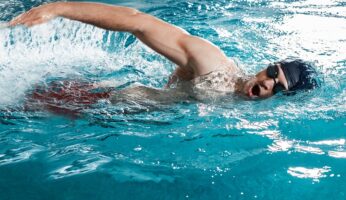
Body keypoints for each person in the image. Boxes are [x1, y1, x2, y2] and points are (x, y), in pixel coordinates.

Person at [9, 2, 319, 103]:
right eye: (273, 74)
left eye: (278, 89)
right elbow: (138, 22)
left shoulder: (248, 113)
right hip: (108, 102)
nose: (269, 84)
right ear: (266, 67)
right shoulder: (212, 64)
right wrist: (60, 8)